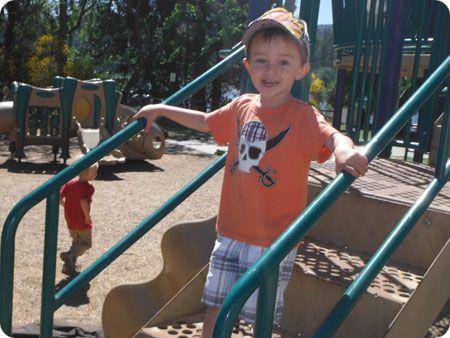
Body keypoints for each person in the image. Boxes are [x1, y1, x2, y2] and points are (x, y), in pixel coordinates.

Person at [134, 7, 368, 337]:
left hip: (274, 241)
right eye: (261, 60)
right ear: (248, 65)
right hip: (230, 232)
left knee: (260, 318)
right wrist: (161, 110)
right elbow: (205, 121)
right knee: (216, 304)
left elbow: (333, 136)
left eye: (283, 61)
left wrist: (344, 151)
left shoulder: (302, 116)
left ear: (302, 69)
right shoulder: (242, 106)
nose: (271, 69)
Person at [59, 161, 98, 275]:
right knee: (86, 244)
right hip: (81, 219)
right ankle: (70, 255)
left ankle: (69, 266)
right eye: (95, 172)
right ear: (86, 175)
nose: (96, 174)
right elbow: (83, 201)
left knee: (76, 243)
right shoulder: (88, 187)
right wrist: (87, 216)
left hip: (70, 218)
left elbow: (59, 198)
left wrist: (66, 206)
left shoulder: (69, 183)